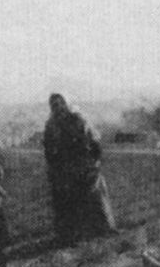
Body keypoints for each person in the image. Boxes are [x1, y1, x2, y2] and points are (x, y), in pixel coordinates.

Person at [43, 93, 116, 244]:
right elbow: (49, 150)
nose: (58, 108)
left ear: (65, 104)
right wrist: (54, 168)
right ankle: (72, 235)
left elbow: (93, 141)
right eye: (54, 105)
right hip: (64, 168)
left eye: (60, 103)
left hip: (83, 164)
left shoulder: (78, 120)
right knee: (67, 202)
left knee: (94, 198)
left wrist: (94, 161)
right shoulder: (51, 126)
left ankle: (103, 229)